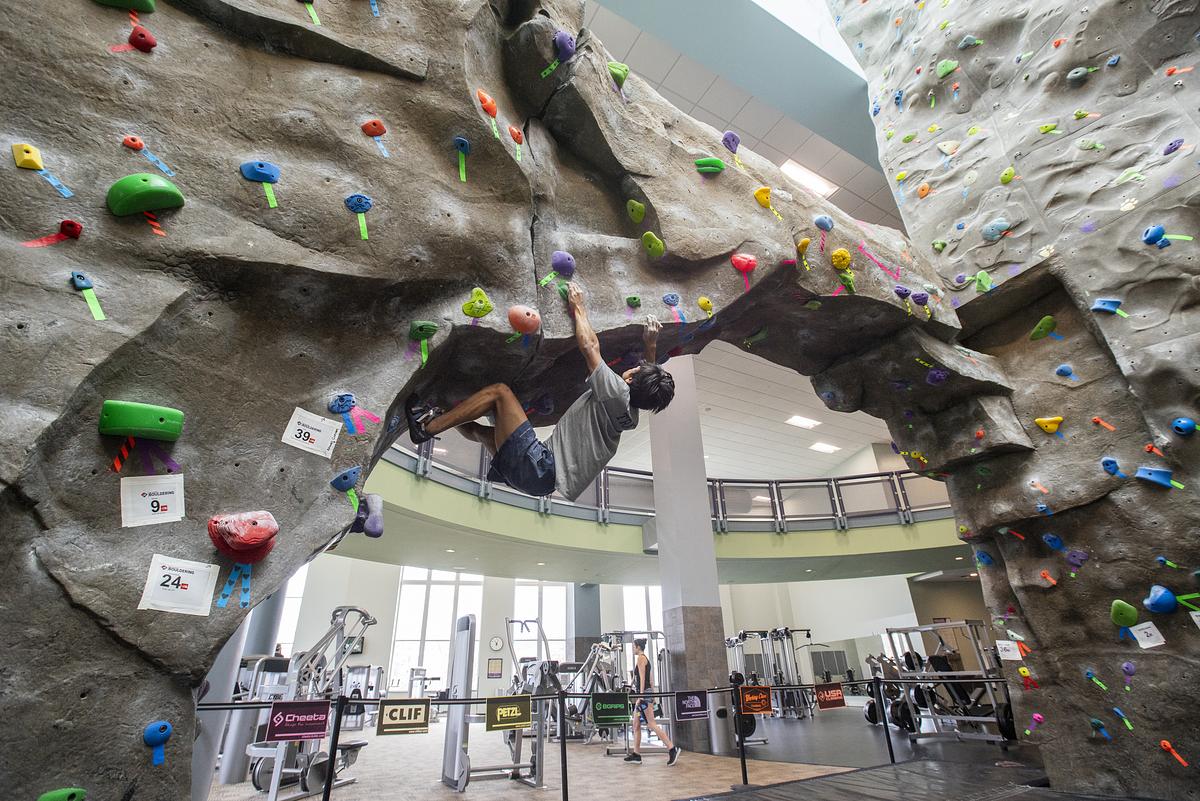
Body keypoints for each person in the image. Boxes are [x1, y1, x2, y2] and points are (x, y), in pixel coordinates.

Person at [405, 282, 675, 501]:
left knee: (499, 393)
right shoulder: (631, 415)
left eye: (637, 369)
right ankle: (436, 408)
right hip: (536, 483)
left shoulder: (616, 392)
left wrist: (578, 306)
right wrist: (651, 345)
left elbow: (590, 347)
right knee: (480, 430)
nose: (633, 368)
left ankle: (425, 430)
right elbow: (645, 386)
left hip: (540, 466)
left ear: (630, 381)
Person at [625, 638, 680, 766]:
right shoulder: (645, 659)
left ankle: (672, 748)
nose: (633, 649)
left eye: (634, 647)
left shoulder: (640, 658)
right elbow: (648, 678)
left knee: (651, 724)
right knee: (636, 724)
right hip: (646, 693)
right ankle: (636, 754)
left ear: (638, 647)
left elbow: (643, 678)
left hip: (643, 694)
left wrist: (641, 696)